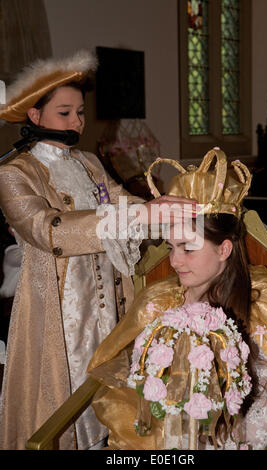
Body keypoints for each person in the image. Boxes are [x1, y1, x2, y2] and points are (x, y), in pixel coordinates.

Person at [0, 50, 195, 450]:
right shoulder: (14, 173)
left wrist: (174, 207)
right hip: (57, 311)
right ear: (34, 117)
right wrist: (137, 216)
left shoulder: (88, 162)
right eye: (64, 113)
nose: (77, 123)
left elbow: (124, 203)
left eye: (80, 113)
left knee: (110, 393)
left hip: (109, 306)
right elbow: (47, 230)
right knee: (65, 400)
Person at [87, 149, 267, 450]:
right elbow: (128, 378)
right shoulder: (160, 300)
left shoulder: (262, 298)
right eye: (171, 247)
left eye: (188, 248)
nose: (174, 261)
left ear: (224, 250)